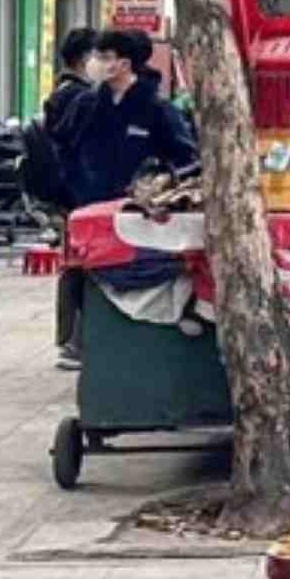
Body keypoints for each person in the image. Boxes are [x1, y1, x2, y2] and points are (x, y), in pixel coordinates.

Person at [52, 30, 199, 370]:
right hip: (88, 210)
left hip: (136, 216)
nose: (96, 63)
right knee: (82, 274)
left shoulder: (157, 109)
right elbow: (63, 147)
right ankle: (79, 342)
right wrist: (72, 189)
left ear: (124, 63)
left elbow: (186, 159)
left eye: (105, 56)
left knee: (131, 278)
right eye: (97, 55)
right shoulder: (87, 105)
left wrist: (159, 189)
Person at [44, 27, 97, 369]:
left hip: (69, 192)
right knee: (81, 266)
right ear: (84, 58)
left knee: (74, 264)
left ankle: (70, 339)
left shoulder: (62, 92)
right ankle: (74, 343)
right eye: (98, 55)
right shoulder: (76, 97)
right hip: (77, 192)